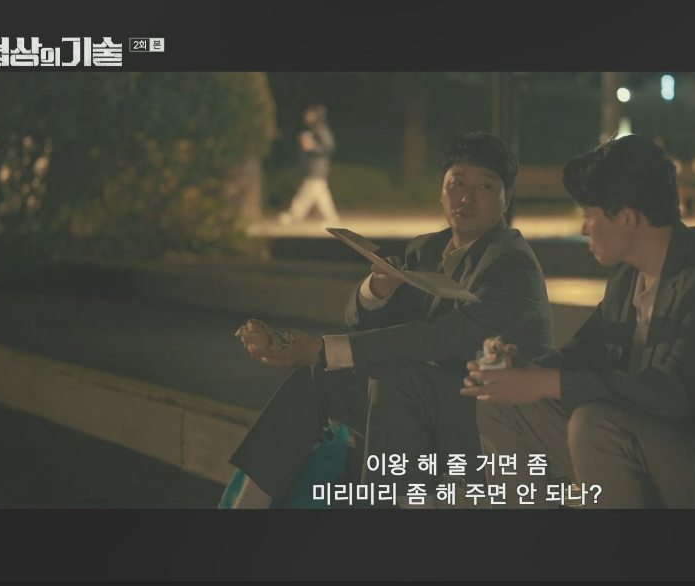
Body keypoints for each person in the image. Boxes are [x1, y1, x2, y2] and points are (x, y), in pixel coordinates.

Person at [463, 135, 695, 509]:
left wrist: (547, 382)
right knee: (499, 402)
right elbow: (584, 351)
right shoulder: (628, 277)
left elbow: (675, 393)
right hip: (647, 441)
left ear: (626, 217)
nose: (584, 229)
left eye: (589, 215)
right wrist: (520, 374)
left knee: (594, 423)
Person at [227, 132, 555, 508]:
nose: (467, 197)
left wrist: (322, 348)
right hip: (424, 406)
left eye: (484, 186)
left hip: (492, 427)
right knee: (322, 375)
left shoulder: (513, 264)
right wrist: (378, 289)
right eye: (458, 183)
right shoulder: (426, 249)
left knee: (395, 376)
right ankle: (246, 506)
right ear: (442, 190)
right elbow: (367, 327)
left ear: (506, 198)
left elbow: (440, 337)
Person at [279, 104, 341, 225]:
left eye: (310, 113)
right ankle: (331, 218)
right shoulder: (314, 129)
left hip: (317, 168)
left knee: (307, 193)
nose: (307, 116)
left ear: (316, 115)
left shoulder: (320, 129)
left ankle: (294, 216)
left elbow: (329, 147)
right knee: (318, 195)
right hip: (314, 168)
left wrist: (312, 147)